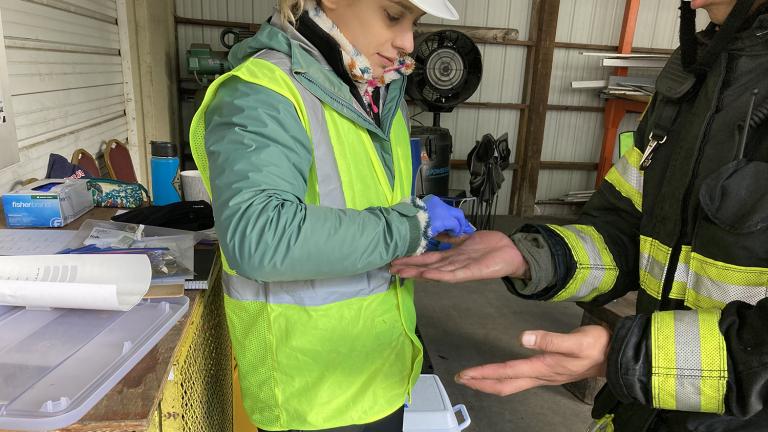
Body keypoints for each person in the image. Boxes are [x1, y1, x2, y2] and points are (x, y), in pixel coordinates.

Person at [391, 0, 768, 431]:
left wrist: (629, 357)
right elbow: (625, 228)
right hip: (646, 411)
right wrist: (531, 255)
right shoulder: (694, 69)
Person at [188, 0, 473, 431]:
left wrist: (419, 238)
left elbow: (366, 213)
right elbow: (261, 239)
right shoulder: (261, 92)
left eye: (416, 23)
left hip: (381, 375)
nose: (407, 43)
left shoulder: (380, 94)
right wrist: (410, 226)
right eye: (394, 15)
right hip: (311, 401)